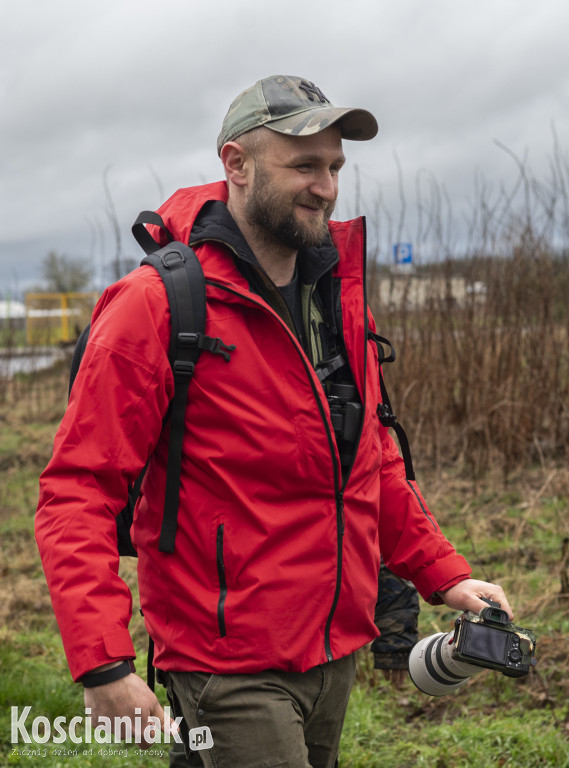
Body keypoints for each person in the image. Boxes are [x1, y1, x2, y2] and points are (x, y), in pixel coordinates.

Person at [35, 75, 512, 768]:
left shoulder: (335, 300)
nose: (326, 187)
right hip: (228, 662)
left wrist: (442, 574)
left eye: (334, 168)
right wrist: (103, 664)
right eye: (303, 166)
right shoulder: (157, 306)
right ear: (236, 164)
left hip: (333, 649)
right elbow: (78, 489)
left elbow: (369, 459)